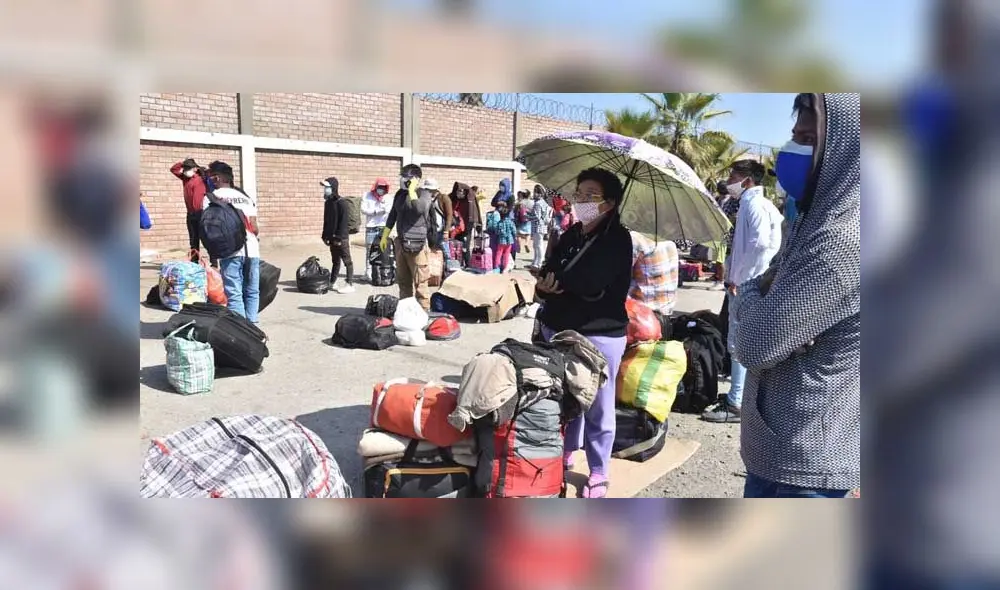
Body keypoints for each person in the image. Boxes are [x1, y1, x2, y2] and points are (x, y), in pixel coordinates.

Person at [734, 93, 859, 499]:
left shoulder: (837, 242)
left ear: (842, 149)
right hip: (783, 452)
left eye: (807, 137)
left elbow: (754, 346)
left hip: (801, 467)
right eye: (793, 135)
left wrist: (749, 290)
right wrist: (770, 304)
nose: (791, 149)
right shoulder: (814, 220)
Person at [534, 167, 633, 498]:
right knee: (564, 401)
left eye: (591, 196)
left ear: (610, 203)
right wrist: (546, 285)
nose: (582, 201)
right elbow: (549, 271)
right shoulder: (571, 234)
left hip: (600, 335)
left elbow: (591, 283)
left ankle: (599, 469)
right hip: (558, 329)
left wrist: (557, 283)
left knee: (598, 407)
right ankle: (564, 453)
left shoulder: (618, 239)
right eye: (579, 194)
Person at [702, 159, 782, 424]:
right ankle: (742, 397)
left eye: (734, 174)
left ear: (747, 180)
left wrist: (739, 277)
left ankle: (735, 401)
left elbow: (758, 242)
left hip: (746, 283)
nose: (730, 178)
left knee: (737, 343)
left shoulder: (751, 203)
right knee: (747, 341)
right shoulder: (765, 204)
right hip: (755, 281)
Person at [202, 161, 261, 325]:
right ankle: (253, 326)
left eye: (210, 176)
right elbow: (255, 228)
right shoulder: (245, 197)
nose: (209, 179)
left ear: (217, 178)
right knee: (252, 291)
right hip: (253, 251)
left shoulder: (210, 199)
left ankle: (242, 330)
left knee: (234, 293)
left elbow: (209, 229)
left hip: (230, 252)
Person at [379, 164, 434, 310]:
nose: (403, 180)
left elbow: (419, 210)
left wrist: (412, 190)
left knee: (420, 282)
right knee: (403, 281)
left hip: (418, 246)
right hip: (401, 243)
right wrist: (384, 235)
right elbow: (392, 215)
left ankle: (423, 313)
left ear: (416, 179)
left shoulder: (424, 194)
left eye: (407, 177)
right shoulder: (399, 194)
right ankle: (406, 312)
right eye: (402, 177)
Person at [629, 231, 679, 316]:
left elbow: (618, 273)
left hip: (641, 313)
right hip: (666, 310)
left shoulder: (635, 239)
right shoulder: (669, 241)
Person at [321, 176, 355, 294]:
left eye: (327, 187)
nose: (325, 190)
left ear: (333, 188)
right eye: (324, 188)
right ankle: (333, 282)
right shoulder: (328, 203)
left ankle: (349, 283)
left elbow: (344, 222)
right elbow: (326, 221)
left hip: (341, 238)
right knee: (335, 260)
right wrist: (325, 235)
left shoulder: (342, 203)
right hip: (331, 238)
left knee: (347, 261)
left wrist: (339, 238)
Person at [170, 158, 209, 263]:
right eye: (185, 169)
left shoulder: (202, 178)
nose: (186, 171)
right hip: (191, 214)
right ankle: (194, 262)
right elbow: (173, 169)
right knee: (193, 240)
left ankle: (214, 263)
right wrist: (183, 163)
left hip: (202, 213)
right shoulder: (185, 179)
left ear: (195, 169)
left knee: (207, 238)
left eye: (189, 168)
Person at [360, 177, 392, 281]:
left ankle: (381, 272)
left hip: (383, 226)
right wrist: (375, 211)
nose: (381, 189)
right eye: (379, 187)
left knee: (383, 250)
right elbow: (363, 209)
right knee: (370, 250)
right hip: (371, 227)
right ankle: (368, 272)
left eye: (383, 187)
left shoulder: (388, 198)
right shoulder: (367, 195)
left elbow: (389, 210)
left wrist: (383, 207)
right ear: (376, 187)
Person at [449, 182, 481, 267]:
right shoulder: (453, 199)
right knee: (454, 246)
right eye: (458, 191)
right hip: (454, 228)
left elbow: (475, 214)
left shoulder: (470, 201)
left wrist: (478, 228)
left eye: (461, 191)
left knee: (465, 246)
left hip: (467, 228)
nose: (459, 193)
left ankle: (468, 264)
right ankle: (457, 263)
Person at [425, 178, 454, 269]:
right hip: (431, 230)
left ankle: (449, 270)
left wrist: (446, 231)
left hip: (441, 230)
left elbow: (449, 215)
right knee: (433, 252)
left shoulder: (444, 198)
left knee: (445, 252)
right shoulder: (426, 199)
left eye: (429, 189)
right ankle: (436, 271)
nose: (427, 191)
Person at [486, 201, 516, 273]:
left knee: (498, 254)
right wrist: (514, 236)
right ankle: (504, 268)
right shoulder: (511, 222)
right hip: (509, 241)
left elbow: (497, 232)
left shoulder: (499, 223)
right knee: (506, 254)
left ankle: (497, 267)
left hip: (501, 241)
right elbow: (514, 231)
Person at [529, 184, 551, 270]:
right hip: (542, 226)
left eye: (535, 192)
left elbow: (536, 216)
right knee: (537, 245)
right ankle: (536, 261)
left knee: (538, 245)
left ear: (540, 193)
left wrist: (528, 216)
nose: (534, 194)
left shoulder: (538, 203)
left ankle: (539, 262)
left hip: (537, 226)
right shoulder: (544, 203)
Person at [514, 190, 533, 257]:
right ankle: (526, 243)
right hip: (528, 220)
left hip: (520, 220)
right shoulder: (532, 202)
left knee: (519, 234)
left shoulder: (520, 202)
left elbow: (515, 210)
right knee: (528, 234)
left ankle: (519, 246)